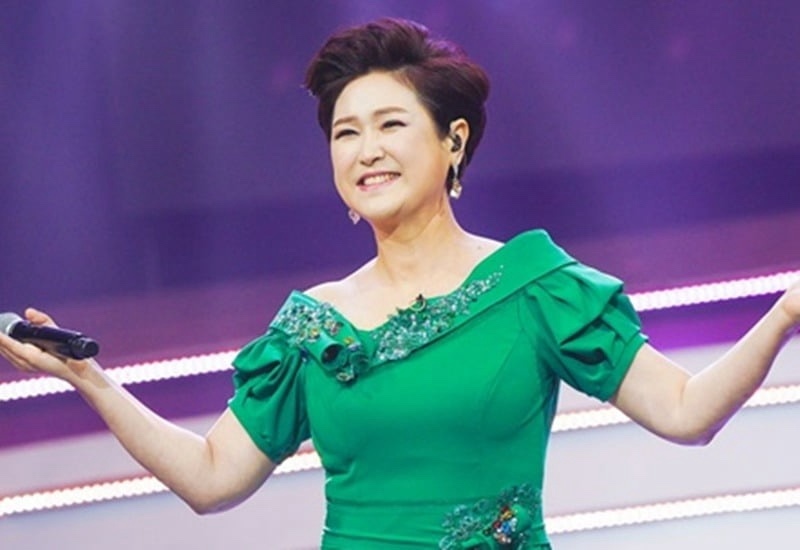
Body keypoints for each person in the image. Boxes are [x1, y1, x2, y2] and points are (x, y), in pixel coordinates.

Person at [1, 17, 798, 550]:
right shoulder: (310, 326)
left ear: (454, 141)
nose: (366, 150)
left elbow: (686, 414)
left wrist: (787, 311)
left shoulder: (535, 288)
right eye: (345, 133)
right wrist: (91, 380)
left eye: (390, 125)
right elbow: (212, 480)